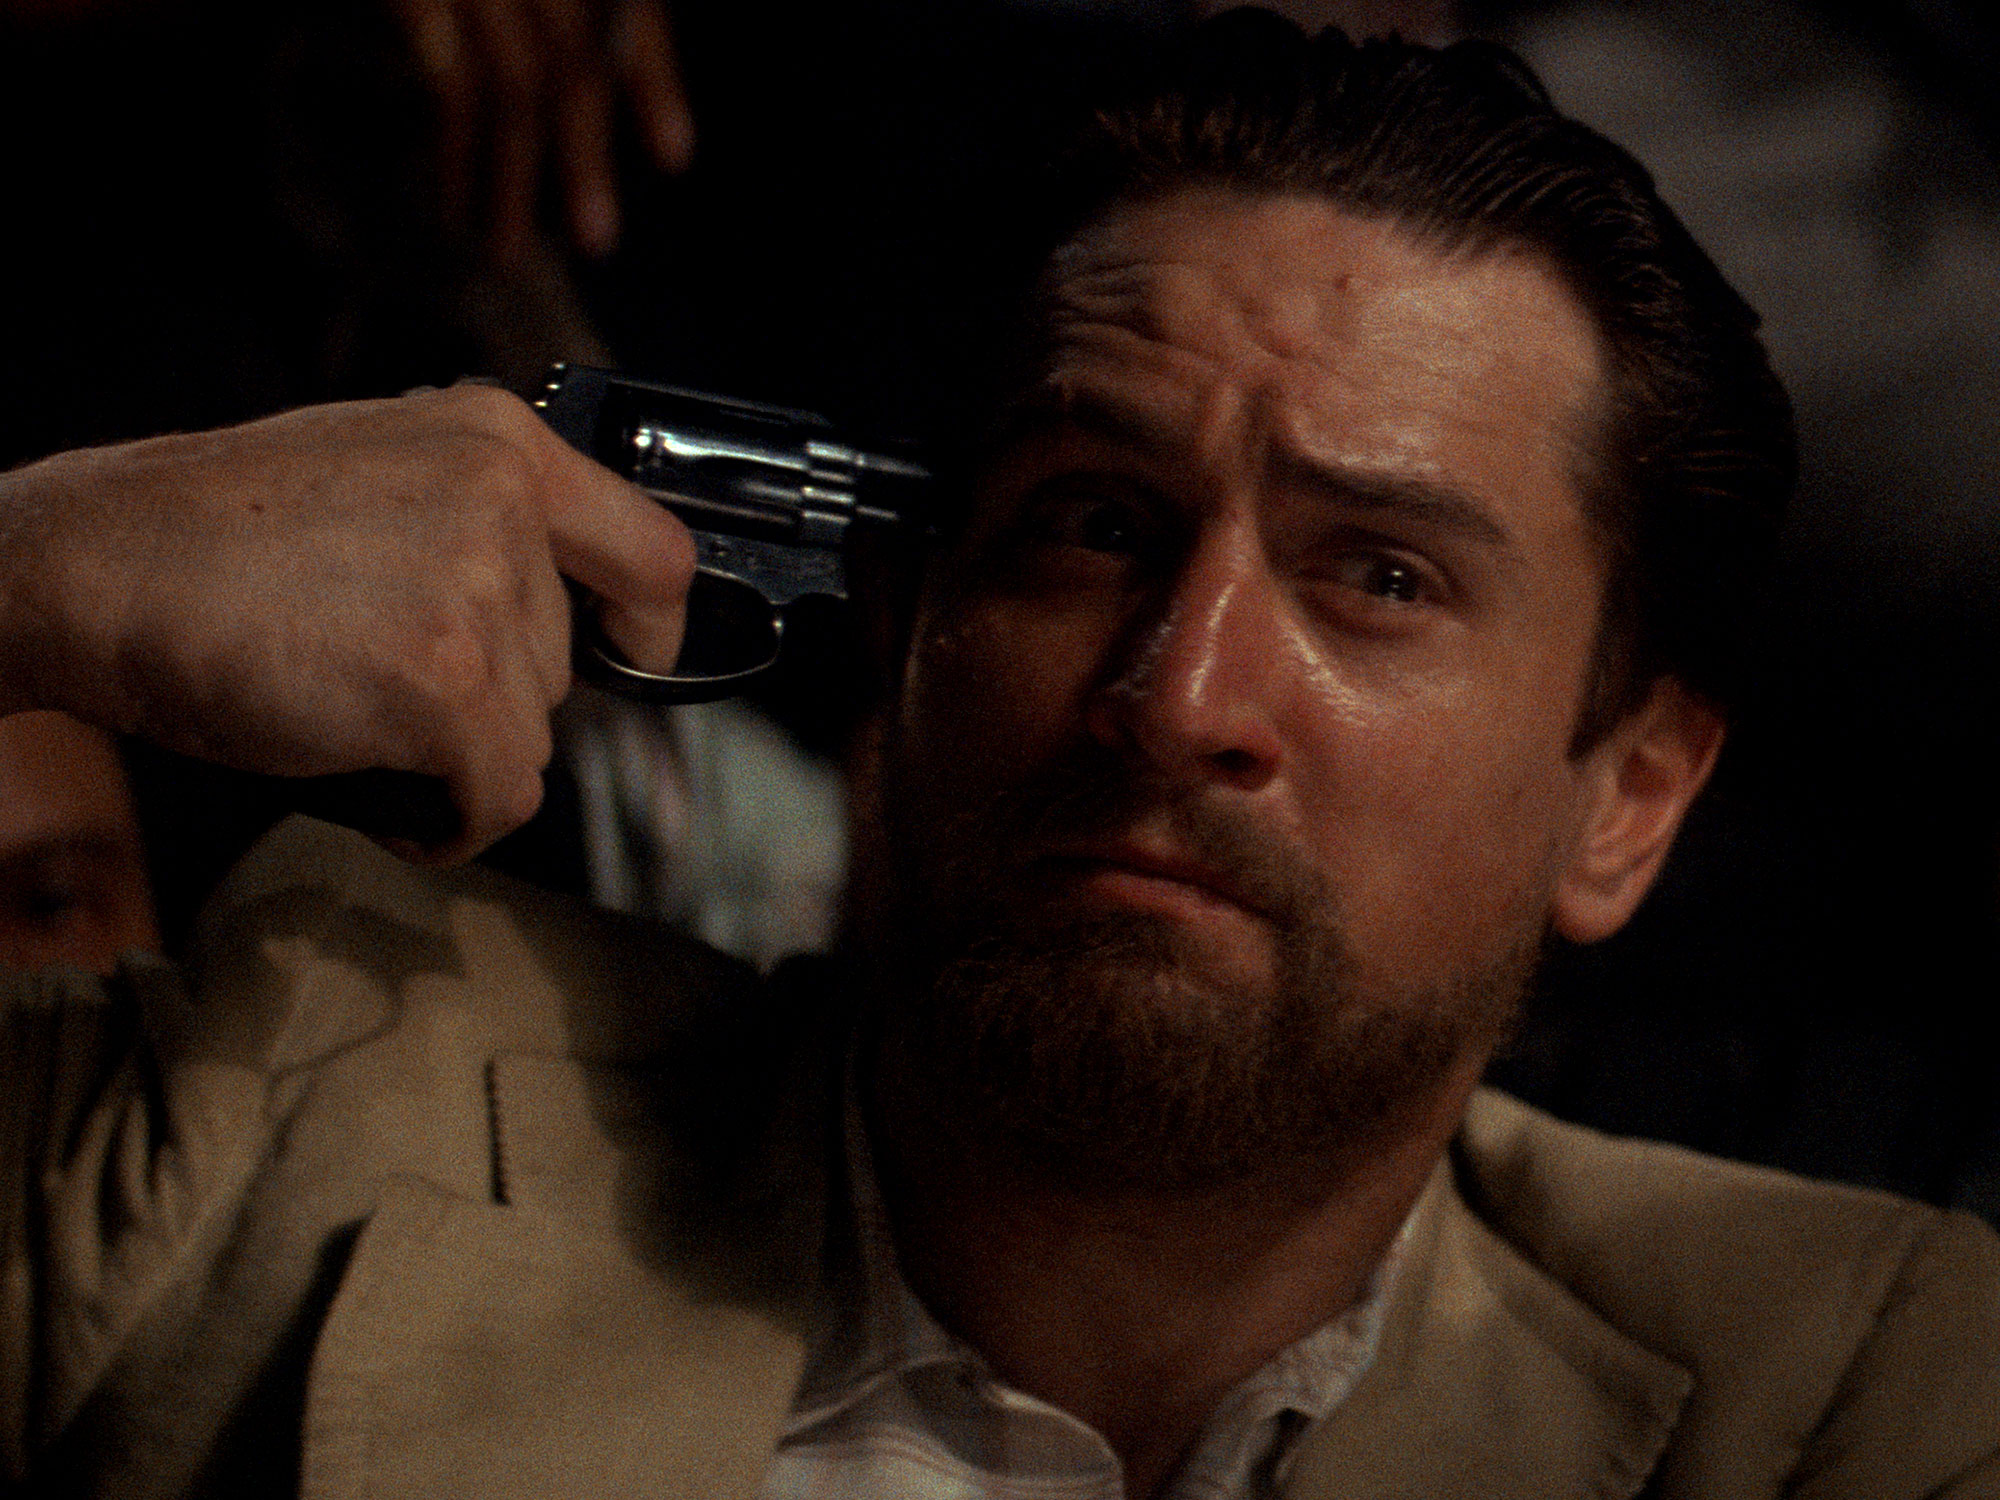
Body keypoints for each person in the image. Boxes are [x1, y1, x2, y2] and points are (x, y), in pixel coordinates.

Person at [2, 14, 1996, 1497]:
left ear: (1628, 797)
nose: (1179, 691)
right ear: (905, 623)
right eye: (1095, 524)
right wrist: (33, 575)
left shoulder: (1868, 1386)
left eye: (1379, 577)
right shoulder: (308, 1091)